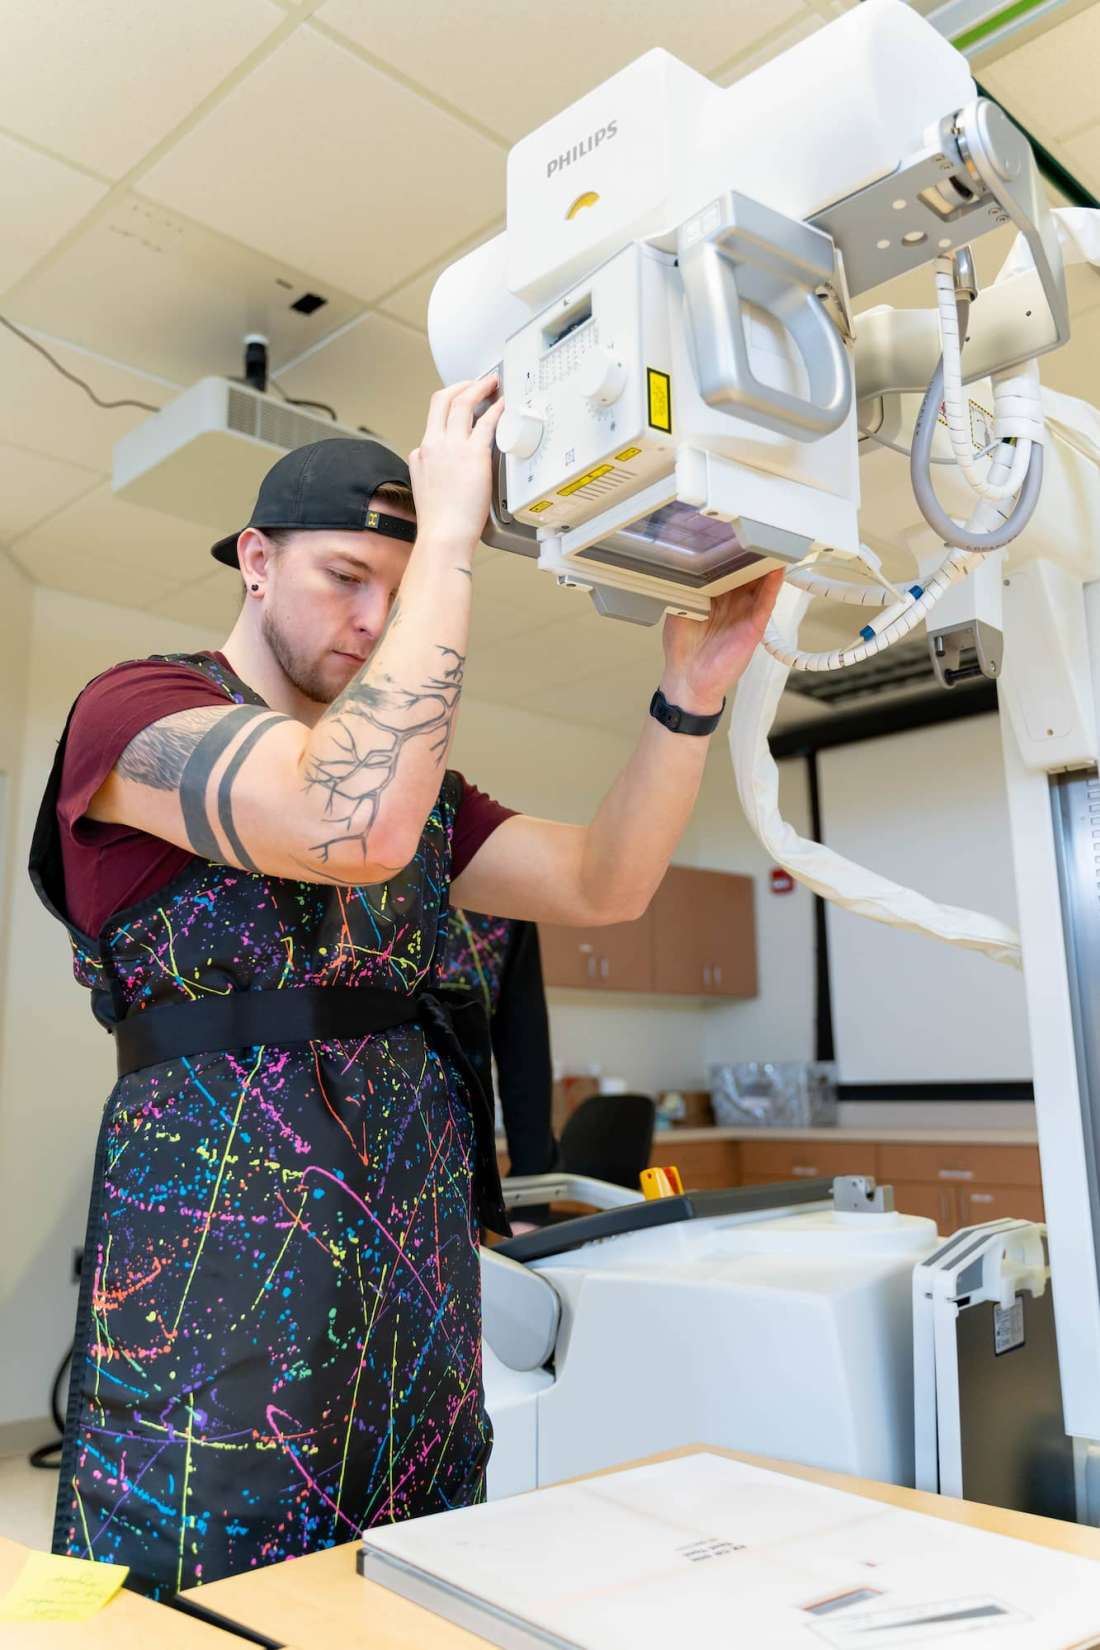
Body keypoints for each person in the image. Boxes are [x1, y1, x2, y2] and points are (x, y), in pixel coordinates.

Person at [29, 373, 782, 1596]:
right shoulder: (137, 712)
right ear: (256, 562)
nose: (376, 618)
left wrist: (687, 695)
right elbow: (349, 823)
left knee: (418, 1574)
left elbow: (602, 882)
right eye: (345, 579)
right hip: (229, 1276)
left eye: (399, 583)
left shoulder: (420, 793)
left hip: (415, 1272)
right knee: (214, 1579)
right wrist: (442, 539)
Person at [436, 908, 557, 1180]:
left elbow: (525, 1055)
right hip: (335, 1156)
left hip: (455, 1169)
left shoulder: (503, 900)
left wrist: (531, 1199)